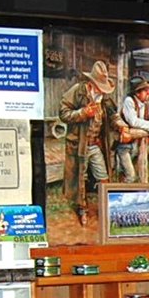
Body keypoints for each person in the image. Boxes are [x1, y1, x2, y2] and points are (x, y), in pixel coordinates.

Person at [57, 60, 116, 224]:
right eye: (99, 85)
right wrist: (83, 112)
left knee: (103, 176)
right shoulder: (77, 91)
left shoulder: (104, 98)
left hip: (95, 143)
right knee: (79, 178)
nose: (101, 90)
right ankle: (82, 209)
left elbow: (112, 115)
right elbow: (63, 113)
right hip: (78, 144)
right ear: (92, 83)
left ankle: (106, 208)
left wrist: (122, 126)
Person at [108, 74, 149, 185]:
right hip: (123, 145)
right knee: (131, 176)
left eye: (148, 90)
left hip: (135, 145)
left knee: (129, 174)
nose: (148, 93)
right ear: (137, 93)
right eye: (145, 90)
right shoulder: (129, 101)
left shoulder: (147, 104)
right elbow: (133, 121)